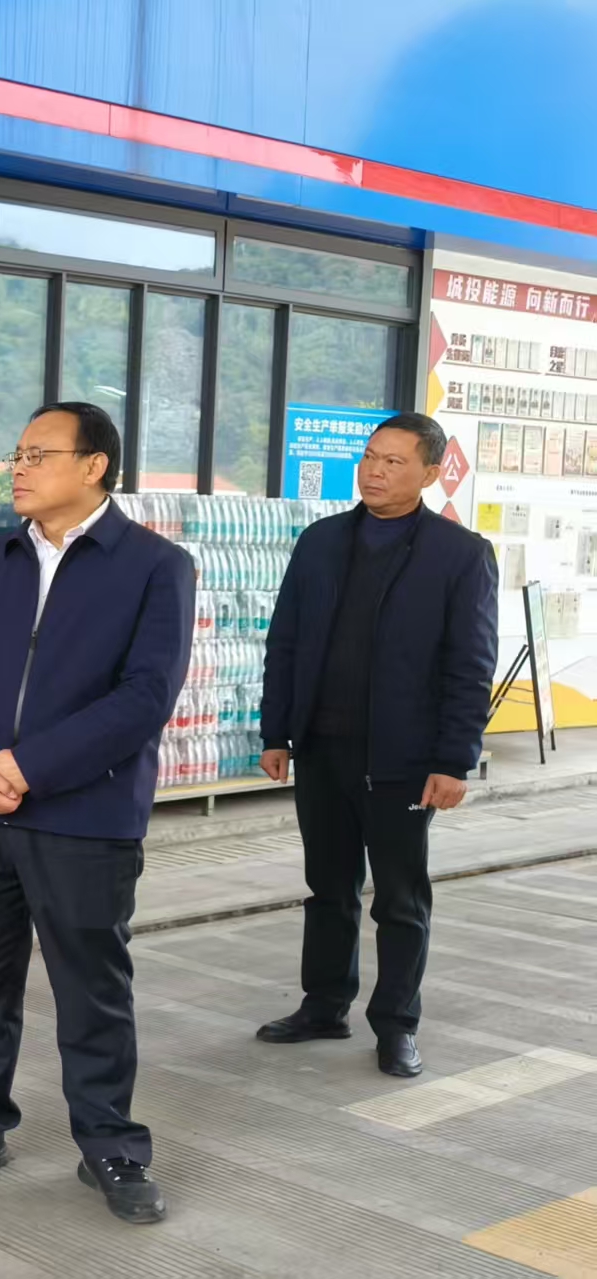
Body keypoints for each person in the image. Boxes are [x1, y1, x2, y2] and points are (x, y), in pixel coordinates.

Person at [0, 402, 193, 1226]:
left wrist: (26, 766)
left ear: (94, 465)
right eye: (17, 453)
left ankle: (109, 1143)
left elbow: (144, 695)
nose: (17, 468)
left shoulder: (153, 565)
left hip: (85, 815)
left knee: (90, 988)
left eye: (38, 454)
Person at [255, 413, 497, 1078]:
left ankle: (396, 1025)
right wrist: (275, 731)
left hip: (403, 761)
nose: (374, 471)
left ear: (429, 472)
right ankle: (323, 1004)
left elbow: (470, 665)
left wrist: (453, 759)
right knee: (327, 887)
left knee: (399, 898)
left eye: (393, 461)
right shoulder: (321, 541)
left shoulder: (459, 553)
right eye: (369, 457)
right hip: (321, 749)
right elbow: (285, 641)